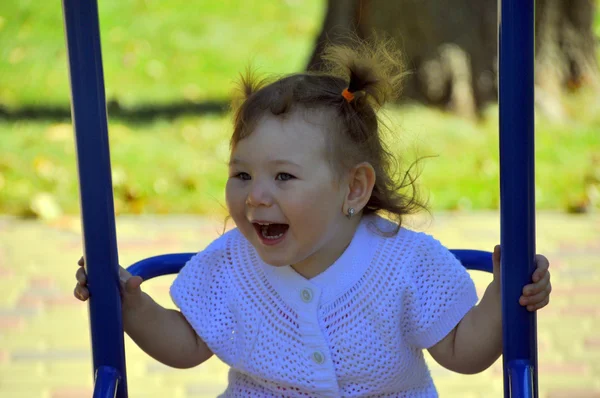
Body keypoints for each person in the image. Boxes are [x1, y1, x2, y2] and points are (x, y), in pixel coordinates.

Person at [74, 38, 552, 397]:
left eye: (283, 177)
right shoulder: (233, 263)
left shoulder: (403, 262)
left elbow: (462, 352)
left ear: (353, 188)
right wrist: (130, 307)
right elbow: (187, 344)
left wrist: (502, 295)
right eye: (241, 174)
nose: (256, 196)